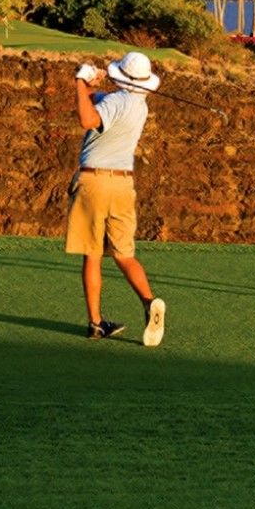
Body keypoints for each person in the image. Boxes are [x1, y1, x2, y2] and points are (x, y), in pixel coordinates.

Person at [67, 51, 167, 346]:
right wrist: (89, 83)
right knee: (124, 254)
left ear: (121, 75)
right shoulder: (138, 106)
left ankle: (96, 324)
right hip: (123, 185)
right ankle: (149, 303)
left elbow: (87, 118)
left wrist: (78, 80)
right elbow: (96, 100)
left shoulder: (114, 102)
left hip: (94, 182)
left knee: (92, 253)